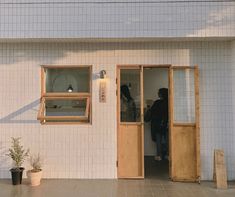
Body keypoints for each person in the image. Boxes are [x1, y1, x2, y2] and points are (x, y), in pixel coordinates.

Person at [145, 88, 168, 161]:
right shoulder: (169, 102)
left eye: (159, 92)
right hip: (166, 123)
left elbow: (152, 112)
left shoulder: (157, 102)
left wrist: (149, 106)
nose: (158, 93)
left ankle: (159, 155)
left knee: (158, 140)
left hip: (157, 124)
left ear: (161, 94)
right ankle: (168, 155)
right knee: (167, 140)